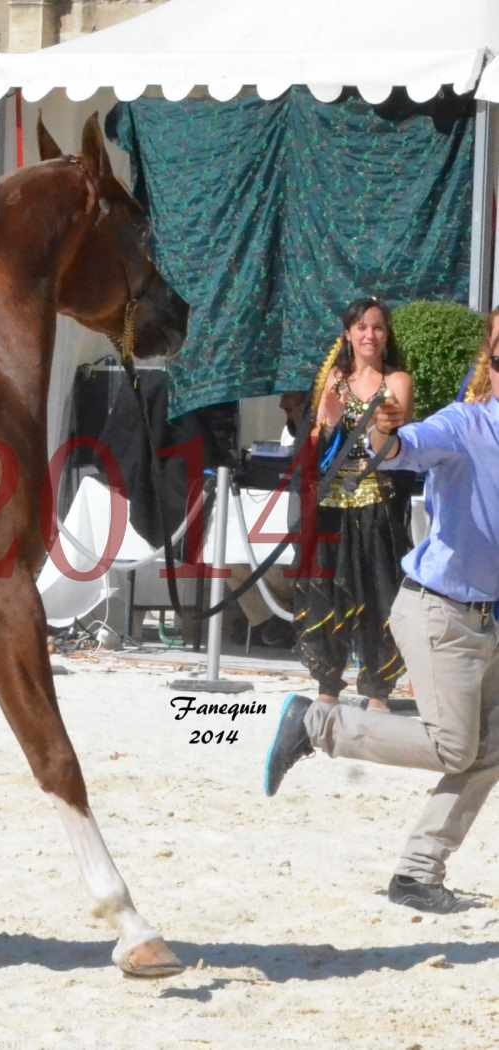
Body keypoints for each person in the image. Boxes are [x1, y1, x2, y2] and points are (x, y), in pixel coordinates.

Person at [264, 328, 499, 912]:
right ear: (490, 362)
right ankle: (317, 723)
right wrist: (381, 430)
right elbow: (400, 449)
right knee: (453, 748)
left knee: (491, 748)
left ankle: (417, 874)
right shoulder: (465, 425)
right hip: (440, 611)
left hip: (489, 620)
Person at [292, 298, 414, 713]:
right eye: (361, 327)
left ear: (386, 335)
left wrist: (378, 424)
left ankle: (377, 688)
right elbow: (315, 447)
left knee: (378, 593)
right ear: (348, 333)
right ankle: (328, 682)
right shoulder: (332, 379)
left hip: (378, 503)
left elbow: (394, 444)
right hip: (332, 505)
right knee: (328, 591)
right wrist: (327, 420)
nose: (369, 335)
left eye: (377, 327)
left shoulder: (397, 381)